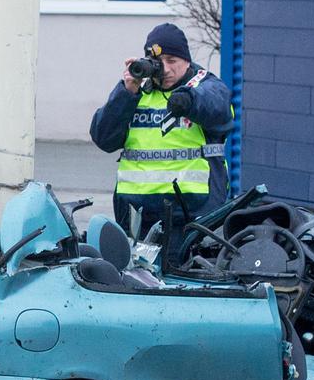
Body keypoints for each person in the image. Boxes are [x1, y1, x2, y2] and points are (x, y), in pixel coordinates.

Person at [90, 23, 233, 253]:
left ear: (186, 60)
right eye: (159, 61)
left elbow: (219, 109)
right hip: (137, 218)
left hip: (190, 217)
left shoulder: (205, 86)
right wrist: (126, 92)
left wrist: (189, 101)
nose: (165, 69)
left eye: (172, 60)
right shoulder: (137, 93)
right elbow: (103, 137)